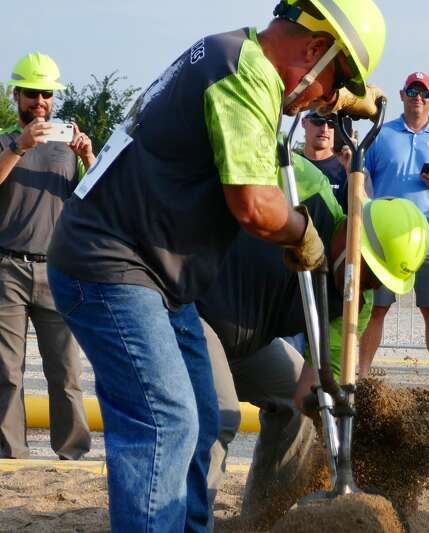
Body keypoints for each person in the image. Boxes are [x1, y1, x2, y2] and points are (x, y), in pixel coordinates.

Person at [46, 0, 387, 529]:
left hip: (158, 279)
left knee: (205, 417)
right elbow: (253, 203)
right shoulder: (241, 73)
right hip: (110, 262)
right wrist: (306, 236)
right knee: (166, 421)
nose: (319, 104)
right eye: (330, 82)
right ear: (315, 50)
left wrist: (342, 91)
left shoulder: (232, 54)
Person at [198, 155, 429, 528]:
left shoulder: (355, 305)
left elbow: (311, 388)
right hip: (194, 312)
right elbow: (244, 150)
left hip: (245, 343)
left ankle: (263, 517)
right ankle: (190, 521)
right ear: (354, 236)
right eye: (370, 272)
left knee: (291, 407)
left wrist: (341, 416)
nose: (369, 287)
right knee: (218, 414)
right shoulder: (308, 189)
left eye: (380, 283)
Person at [0, 53, 94, 460]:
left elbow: (99, 200)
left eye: (48, 94)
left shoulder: (66, 147)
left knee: (67, 371)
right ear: (16, 95)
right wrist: (19, 148)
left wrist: (89, 157)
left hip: (57, 270)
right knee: (6, 371)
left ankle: (72, 452)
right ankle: (11, 453)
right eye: (32, 93)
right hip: (7, 270)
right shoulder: (4, 141)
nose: (40, 101)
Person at [360, 71, 429, 386]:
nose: (418, 98)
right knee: (377, 308)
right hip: (384, 233)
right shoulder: (380, 134)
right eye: (412, 91)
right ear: (402, 95)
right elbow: (362, 176)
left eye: (424, 93)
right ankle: (363, 379)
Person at [300, 110, 372, 212]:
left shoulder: (354, 169)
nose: (325, 128)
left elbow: (366, 213)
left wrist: (351, 173)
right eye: (318, 120)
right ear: (303, 122)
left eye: (331, 121)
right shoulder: (290, 165)